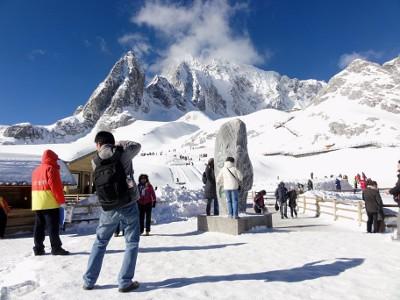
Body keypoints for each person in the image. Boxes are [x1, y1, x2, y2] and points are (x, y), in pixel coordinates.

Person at [83, 131, 141, 293]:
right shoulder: (123, 153)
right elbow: (137, 146)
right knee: (131, 243)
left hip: (108, 207)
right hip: (128, 203)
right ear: (111, 142)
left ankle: (89, 281)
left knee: (100, 242)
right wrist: (119, 143)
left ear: (99, 144)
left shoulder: (95, 161)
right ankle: (124, 282)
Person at [31, 149, 70, 256]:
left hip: (38, 202)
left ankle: (38, 249)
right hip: (49, 202)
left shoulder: (36, 171)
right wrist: (61, 201)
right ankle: (56, 248)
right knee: (52, 227)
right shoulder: (51, 169)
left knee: (39, 226)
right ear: (52, 159)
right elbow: (56, 187)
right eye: (55, 160)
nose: (57, 162)